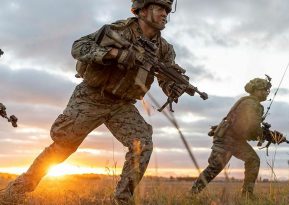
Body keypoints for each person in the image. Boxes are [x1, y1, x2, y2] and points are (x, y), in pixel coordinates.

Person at [0, 0, 190, 204]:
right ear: (142, 10)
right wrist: (114, 54)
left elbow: (166, 77)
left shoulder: (164, 50)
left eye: (168, 10)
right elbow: (78, 47)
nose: (165, 14)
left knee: (142, 144)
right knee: (63, 145)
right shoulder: (118, 30)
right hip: (91, 96)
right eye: (160, 8)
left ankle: (122, 200)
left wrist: (174, 88)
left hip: (122, 105)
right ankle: (16, 191)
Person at [190, 77, 285, 199]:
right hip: (227, 139)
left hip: (233, 139)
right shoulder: (251, 104)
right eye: (264, 89)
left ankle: (247, 195)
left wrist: (266, 135)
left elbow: (248, 128)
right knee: (215, 167)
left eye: (267, 90)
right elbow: (249, 128)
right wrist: (266, 135)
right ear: (256, 90)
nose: (267, 92)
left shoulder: (250, 103)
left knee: (252, 160)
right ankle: (191, 194)